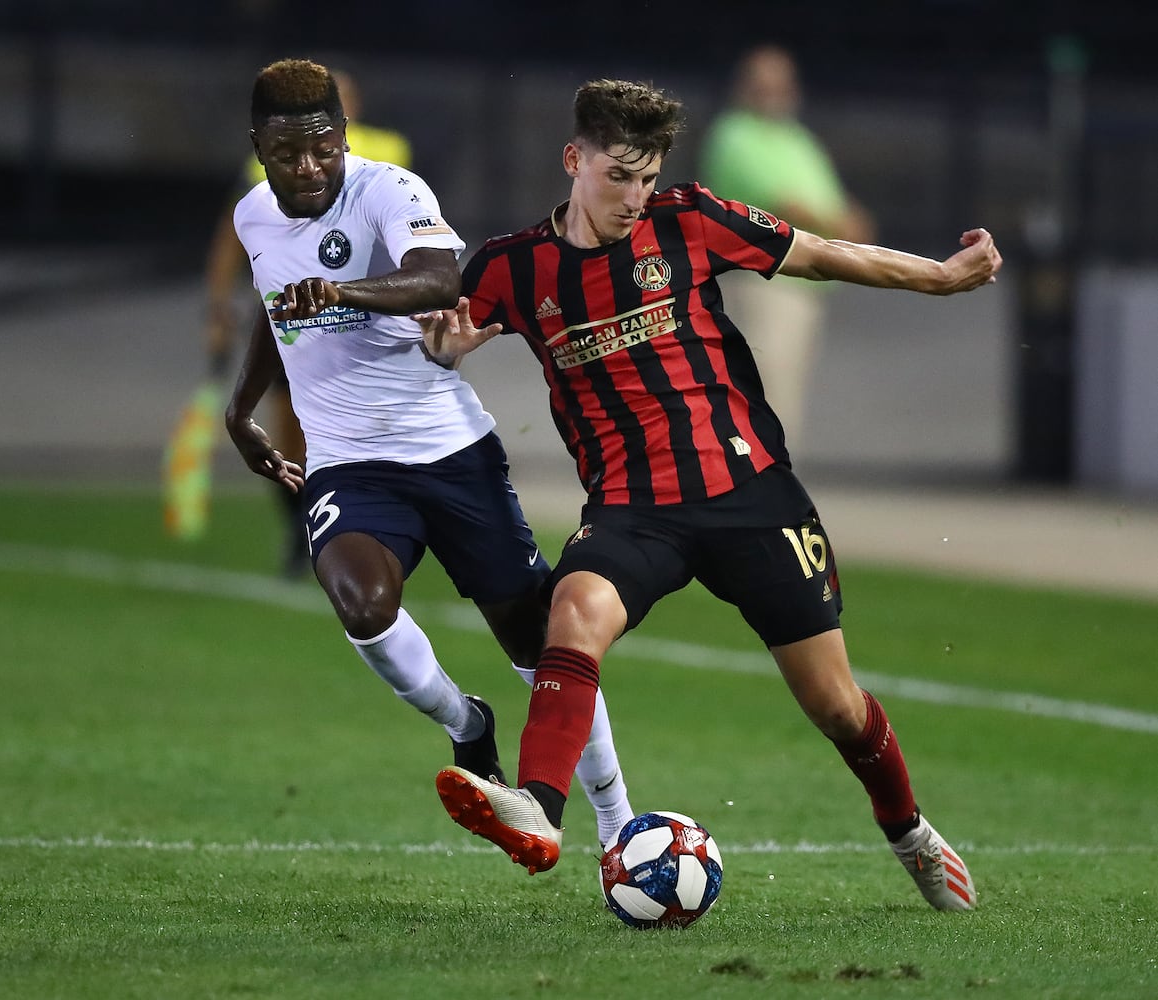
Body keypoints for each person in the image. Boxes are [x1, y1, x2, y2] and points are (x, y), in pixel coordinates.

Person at [418, 78, 1001, 910]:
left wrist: (939, 276)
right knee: (573, 612)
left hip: (751, 495)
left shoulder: (689, 219)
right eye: (618, 176)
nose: (634, 197)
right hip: (631, 508)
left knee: (835, 705)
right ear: (572, 160)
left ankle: (907, 829)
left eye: (647, 177)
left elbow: (823, 253)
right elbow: (449, 336)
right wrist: (444, 349)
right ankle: (539, 813)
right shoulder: (512, 267)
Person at [223, 58, 634, 846]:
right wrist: (243, 412)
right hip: (347, 460)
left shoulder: (389, 190)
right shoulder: (252, 216)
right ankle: (464, 722)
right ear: (258, 147)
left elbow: (440, 279)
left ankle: (617, 829)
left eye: (321, 147)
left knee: (536, 643)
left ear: (342, 135)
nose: (307, 166)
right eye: (285, 153)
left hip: (449, 451)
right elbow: (274, 305)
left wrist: (342, 292)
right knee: (364, 609)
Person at [187, 68, 410, 576]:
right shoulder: (267, 161)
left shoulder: (390, 153)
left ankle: (371, 522)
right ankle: (302, 526)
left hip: (365, 318)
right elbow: (232, 234)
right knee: (293, 428)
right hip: (290, 315)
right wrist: (219, 305)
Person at [699, 45, 875, 450]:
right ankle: (755, 491)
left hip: (802, 285)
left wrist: (848, 221)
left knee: (783, 394)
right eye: (762, 84)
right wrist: (843, 225)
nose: (773, 93)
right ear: (743, 87)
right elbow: (781, 204)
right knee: (764, 390)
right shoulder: (735, 134)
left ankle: (768, 487)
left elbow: (833, 201)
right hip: (765, 281)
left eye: (780, 84)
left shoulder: (796, 139)